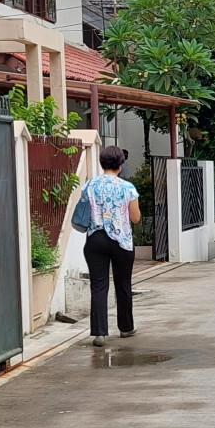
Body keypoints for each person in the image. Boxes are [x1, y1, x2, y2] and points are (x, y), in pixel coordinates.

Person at [81, 146, 141, 344]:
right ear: (121, 165)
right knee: (123, 284)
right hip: (121, 241)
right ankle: (126, 328)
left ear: (101, 162)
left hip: (95, 238)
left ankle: (99, 332)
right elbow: (135, 218)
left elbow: (84, 210)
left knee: (98, 285)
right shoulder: (127, 188)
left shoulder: (90, 185)